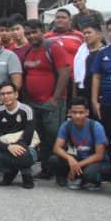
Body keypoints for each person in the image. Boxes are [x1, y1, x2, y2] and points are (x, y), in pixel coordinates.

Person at [22, 19, 71, 179]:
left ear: (42, 30)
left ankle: (62, 172)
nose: (31, 36)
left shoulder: (53, 47)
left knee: (56, 136)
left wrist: (55, 98)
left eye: (34, 32)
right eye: (28, 33)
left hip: (52, 103)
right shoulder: (28, 51)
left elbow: (65, 73)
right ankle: (46, 169)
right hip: (35, 104)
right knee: (42, 138)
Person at [0, 81, 38, 189]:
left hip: (26, 148)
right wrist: (8, 147)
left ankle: (26, 174)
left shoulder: (27, 110)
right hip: (6, 147)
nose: (6, 96)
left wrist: (15, 147)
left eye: (9, 93)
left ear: (16, 94)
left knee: (22, 154)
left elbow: (28, 138)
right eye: (2, 94)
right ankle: (10, 171)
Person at [49, 96, 107, 190]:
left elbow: (99, 155)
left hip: (93, 161)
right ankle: (64, 178)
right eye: (74, 112)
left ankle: (92, 181)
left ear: (87, 112)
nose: (77, 116)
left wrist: (77, 165)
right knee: (54, 159)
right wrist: (70, 158)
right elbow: (56, 148)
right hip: (78, 158)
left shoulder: (96, 126)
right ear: (69, 112)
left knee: (90, 174)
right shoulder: (66, 125)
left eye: (81, 112)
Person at [73, 22, 105, 96]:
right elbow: (76, 74)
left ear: (98, 34)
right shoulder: (81, 51)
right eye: (84, 33)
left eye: (89, 33)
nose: (86, 35)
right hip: (82, 91)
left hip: (100, 92)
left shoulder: (105, 52)